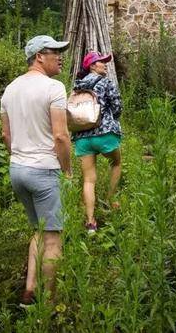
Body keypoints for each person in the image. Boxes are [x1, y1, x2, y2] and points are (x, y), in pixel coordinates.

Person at [0, 35, 71, 305]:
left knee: (38, 231)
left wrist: (19, 159)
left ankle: (29, 292)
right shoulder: (53, 88)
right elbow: (61, 136)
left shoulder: (10, 89)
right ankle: (49, 304)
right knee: (53, 239)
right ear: (39, 56)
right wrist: (67, 170)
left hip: (17, 170)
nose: (60, 56)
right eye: (55, 52)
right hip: (44, 171)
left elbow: (6, 134)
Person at [72, 51, 122, 234]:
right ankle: (110, 199)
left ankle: (91, 222)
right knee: (116, 163)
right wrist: (111, 118)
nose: (105, 65)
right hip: (105, 133)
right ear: (92, 66)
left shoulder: (77, 85)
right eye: (102, 62)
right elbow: (117, 107)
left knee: (88, 180)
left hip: (83, 137)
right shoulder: (106, 82)